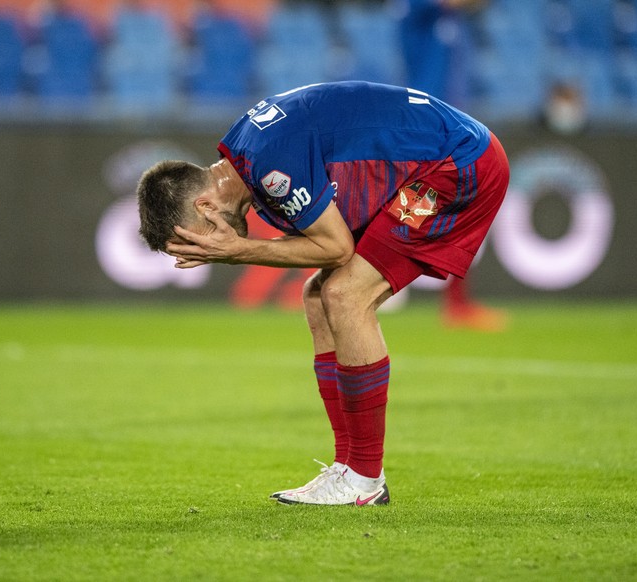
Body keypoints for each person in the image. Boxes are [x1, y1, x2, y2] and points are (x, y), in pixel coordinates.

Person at [137, 81, 510, 506]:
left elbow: (336, 246)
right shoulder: (245, 151)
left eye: (196, 241)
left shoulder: (269, 169)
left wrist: (239, 250)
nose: (205, 250)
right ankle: (347, 469)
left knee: (346, 295)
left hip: (456, 168)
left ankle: (365, 480)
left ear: (204, 207)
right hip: (440, 158)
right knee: (319, 295)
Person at [399, 0, 507, 330]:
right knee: (412, 211)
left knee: (443, 208)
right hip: (425, 124)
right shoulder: (420, 9)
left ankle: (458, 303)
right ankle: (456, 304)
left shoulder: (451, 20)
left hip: (448, 124)